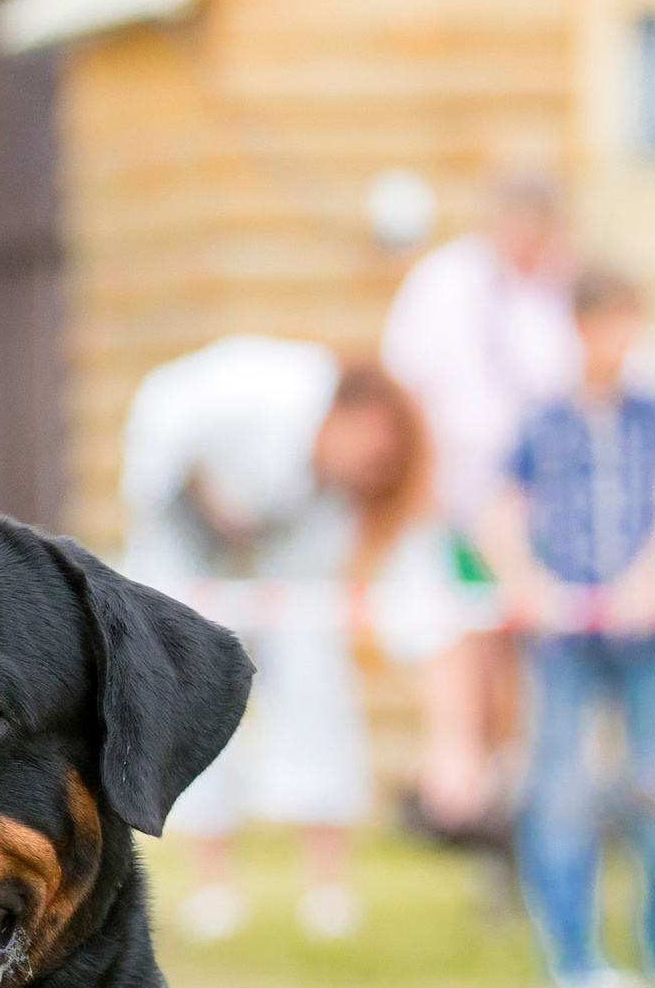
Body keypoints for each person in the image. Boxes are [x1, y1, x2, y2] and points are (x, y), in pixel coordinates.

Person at [120, 336, 442, 942]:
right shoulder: (260, 385)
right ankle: (212, 888)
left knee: (317, 699)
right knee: (193, 702)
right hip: (187, 551)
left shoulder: (339, 502)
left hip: (285, 571)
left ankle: (328, 890)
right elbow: (159, 417)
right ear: (349, 414)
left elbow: (405, 580)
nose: (370, 467)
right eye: (369, 449)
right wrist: (197, 497)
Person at [482, 265, 655, 988]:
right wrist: (527, 582)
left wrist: (654, 579)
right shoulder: (544, 420)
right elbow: (504, 511)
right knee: (562, 791)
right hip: (567, 637)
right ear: (579, 327)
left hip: (643, 636)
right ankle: (574, 957)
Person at [380, 167, 580, 838]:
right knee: (464, 669)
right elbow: (408, 394)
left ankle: (521, 813)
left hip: (547, 519)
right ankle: (459, 805)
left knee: (529, 682)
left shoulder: (564, 290)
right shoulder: (445, 285)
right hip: (459, 514)